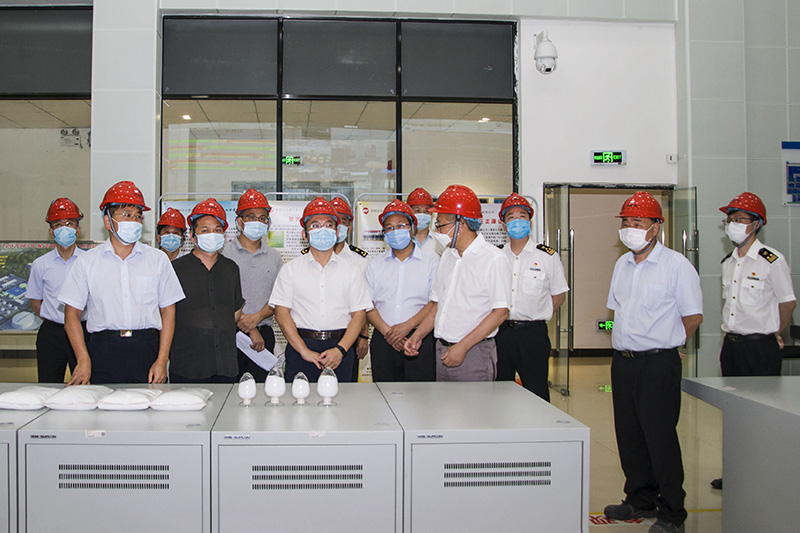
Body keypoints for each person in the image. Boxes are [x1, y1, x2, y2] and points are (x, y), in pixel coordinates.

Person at [602, 191, 703, 533]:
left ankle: (673, 512)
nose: (630, 228)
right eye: (626, 222)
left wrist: (669, 342)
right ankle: (640, 498)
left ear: (655, 227)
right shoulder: (622, 265)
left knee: (660, 440)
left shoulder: (676, 265)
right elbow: (617, 311)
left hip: (658, 364)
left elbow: (692, 316)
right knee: (629, 435)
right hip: (624, 363)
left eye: (638, 222)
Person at [58, 181, 185, 385]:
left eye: (138, 216)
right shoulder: (87, 262)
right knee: (102, 404)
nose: (134, 221)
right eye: (126, 215)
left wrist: (162, 360)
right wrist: (83, 359)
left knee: (148, 405)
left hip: (146, 348)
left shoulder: (157, 260)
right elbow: (71, 314)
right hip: (103, 348)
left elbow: (168, 311)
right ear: (107, 222)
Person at [710, 192, 796, 490]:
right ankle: (736, 473)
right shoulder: (728, 262)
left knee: (761, 414)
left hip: (760, 348)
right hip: (731, 346)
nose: (733, 225)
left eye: (740, 219)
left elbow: (787, 302)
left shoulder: (772, 260)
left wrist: (775, 331)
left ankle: (763, 474)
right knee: (734, 413)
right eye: (730, 220)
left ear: (756, 224)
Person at [404, 184, 511, 381]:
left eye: (440, 225)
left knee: (472, 403)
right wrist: (417, 336)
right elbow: (437, 306)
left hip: (473, 353)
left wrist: (462, 347)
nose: (436, 230)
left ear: (460, 225)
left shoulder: (493, 259)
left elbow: (500, 312)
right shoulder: (448, 256)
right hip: (442, 350)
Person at [269, 197, 372, 383]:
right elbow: (281, 313)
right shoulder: (290, 270)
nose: (322, 230)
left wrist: (340, 350)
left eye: (329, 224)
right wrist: (303, 350)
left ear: (337, 231)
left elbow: (359, 314)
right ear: (304, 234)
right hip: (300, 348)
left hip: (341, 348)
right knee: (299, 399)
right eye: (315, 225)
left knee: (342, 399)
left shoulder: (352, 271)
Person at [494, 193, 568, 401]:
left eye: (522, 216)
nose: (517, 221)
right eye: (511, 217)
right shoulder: (496, 256)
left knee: (537, 392)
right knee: (499, 393)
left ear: (530, 222)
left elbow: (559, 296)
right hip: (500, 333)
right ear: (503, 225)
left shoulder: (547, 256)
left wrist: (538, 313)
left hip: (533, 335)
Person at [169, 199, 245, 383]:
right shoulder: (176, 269)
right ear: (192, 235)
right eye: (205, 230)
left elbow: (236, 312)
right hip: (188, 364)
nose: (212, 235)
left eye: (217, 230)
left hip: (225, 364)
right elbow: (167, 315)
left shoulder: (231, 268)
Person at [366, 200, 438, 381]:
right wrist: (389, 333)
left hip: (420, 338)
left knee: (420, 394)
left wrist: (407, 327)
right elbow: (367, 304)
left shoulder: (431, 263)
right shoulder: (375, 264)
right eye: (389, 228)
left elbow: (434, 302)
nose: (395, 231)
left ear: (412, 228)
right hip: (384, 339)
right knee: (383, 393)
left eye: (401, 225)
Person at [222, 188, 283, 382]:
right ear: (239, 221)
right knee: (230, 390)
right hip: (230, 333)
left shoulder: (274, 257)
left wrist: (256, 319)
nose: (257, 222)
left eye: (262, 218)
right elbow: (221, 298)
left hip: (264, 334)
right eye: (251, 217)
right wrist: (249, 328)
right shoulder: (224, 254)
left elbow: (278, 298)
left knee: (262, 391)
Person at [25, 198, 89, 383]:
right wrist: (54, 318)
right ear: (51, 232)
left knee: (85, 384)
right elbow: (35, 302)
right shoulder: (40, 264)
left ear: (78, 230)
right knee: (48, 385)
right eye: (58, 225)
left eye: (69, 224)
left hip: (83, 331)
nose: (64, 229)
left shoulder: (89, 262)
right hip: (52, 334)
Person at [329, 196, 370, 377]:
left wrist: (363, 336)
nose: (339, 226)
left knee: (348, 385)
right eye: (334, 221)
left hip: (350, 335)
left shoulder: (359, 260)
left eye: (343, 221)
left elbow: (364, 303)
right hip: (317, 334)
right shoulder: (307, 259)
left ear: (350, 227)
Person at [407, 187, 444, 256]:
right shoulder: (401, 241)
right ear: (409, 213)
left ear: (431, 214)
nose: (422, 215)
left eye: (426, 211)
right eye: (417, 211)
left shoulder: (439, 241)